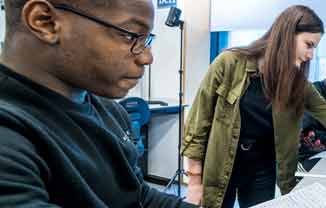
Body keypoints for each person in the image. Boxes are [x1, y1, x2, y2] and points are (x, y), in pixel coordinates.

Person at [181, 5, 326, 208]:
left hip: (261, 169)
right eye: (308, 45)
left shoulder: (298, 84)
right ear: (287, 34)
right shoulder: (229, 63)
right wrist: (194, 182)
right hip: (220, 164)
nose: (311, 55)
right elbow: (198, 123)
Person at [0, 0, 195, 207]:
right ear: (45, 21)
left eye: (146, 40)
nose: (147, 58)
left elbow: (138, 198)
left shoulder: (109, 110)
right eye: (130, 35)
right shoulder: (9, 135)